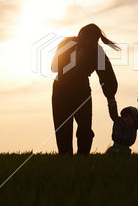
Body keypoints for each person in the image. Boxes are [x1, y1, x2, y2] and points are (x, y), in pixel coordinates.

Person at [51, 24, 119, 155]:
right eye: (91, 40)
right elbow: (54, 67)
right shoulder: (67, 43)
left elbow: (107, 75)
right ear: (83, 37)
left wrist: (111, 97)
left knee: (85, 128)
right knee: (63, 129)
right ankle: (65, 158)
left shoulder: (97, 52)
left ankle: (83, 156)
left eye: (96, 40)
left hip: (82, 90)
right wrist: (75, 60)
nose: (94, 43)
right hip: (61, 90)